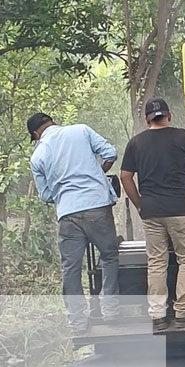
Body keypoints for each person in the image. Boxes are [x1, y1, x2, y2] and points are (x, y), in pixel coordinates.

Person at [120, 98, 185, 331]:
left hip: (151, 212)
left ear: (147, 119)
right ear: (169, 116)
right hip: (180, 210)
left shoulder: (136, 143)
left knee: (156, 263)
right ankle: (183, 313)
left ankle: (157, 316)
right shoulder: (183, 137)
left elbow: (125, 176)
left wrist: (140, 204)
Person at [27, 113, 120, 333]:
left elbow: (46, 195)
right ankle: (111, 311)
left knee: (71, 268)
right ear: (54, 122)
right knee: (108, 256)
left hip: (68, 214)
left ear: (35, 134)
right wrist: (97, 175)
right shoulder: (81, 130)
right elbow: (111, 153)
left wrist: (63, 193)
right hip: (97, 205)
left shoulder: (37, 155)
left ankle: (77, 322)